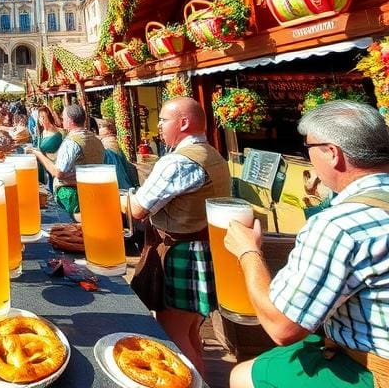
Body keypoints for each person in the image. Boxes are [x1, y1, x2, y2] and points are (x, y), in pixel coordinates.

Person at [222, 101, 389, 388]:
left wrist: (247, 251)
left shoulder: (338, 225)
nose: (309, 161)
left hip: (374, 371)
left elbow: (282, 327)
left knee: (241, 375)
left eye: (309, 150)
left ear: (332, 154)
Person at [122, 96, 230, 375]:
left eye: (163, 120)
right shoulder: (212, 153)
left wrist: (117, 197)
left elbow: (137, 209)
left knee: (174, 336)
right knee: (191, 333)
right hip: (204, 250)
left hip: (182, 253)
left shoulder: (177, 162)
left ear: (183, 123)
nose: (158, 125)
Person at [31, 104, 105, 218]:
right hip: (96, 192)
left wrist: (39, 154)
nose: (61, 118)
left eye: (63, 117)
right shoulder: (95, 139)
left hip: (74, 196)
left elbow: (58, 173)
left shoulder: (71, 143)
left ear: (70, 120)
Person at [97, 117, 139, 191]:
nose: (99, 129)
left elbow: (117, 171)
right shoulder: (111, 142)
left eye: (102, 127)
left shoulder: (108, 144)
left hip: (119, 186)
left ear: (109, 130)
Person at [34, 105, 64, 189]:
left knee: (52, 187)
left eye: (43, 117)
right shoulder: (43, 131)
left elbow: (45, 148)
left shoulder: (55, 133)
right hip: (45, 167)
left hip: (54, 166)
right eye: (39, 117)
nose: (41, 119)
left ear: (49, 118)